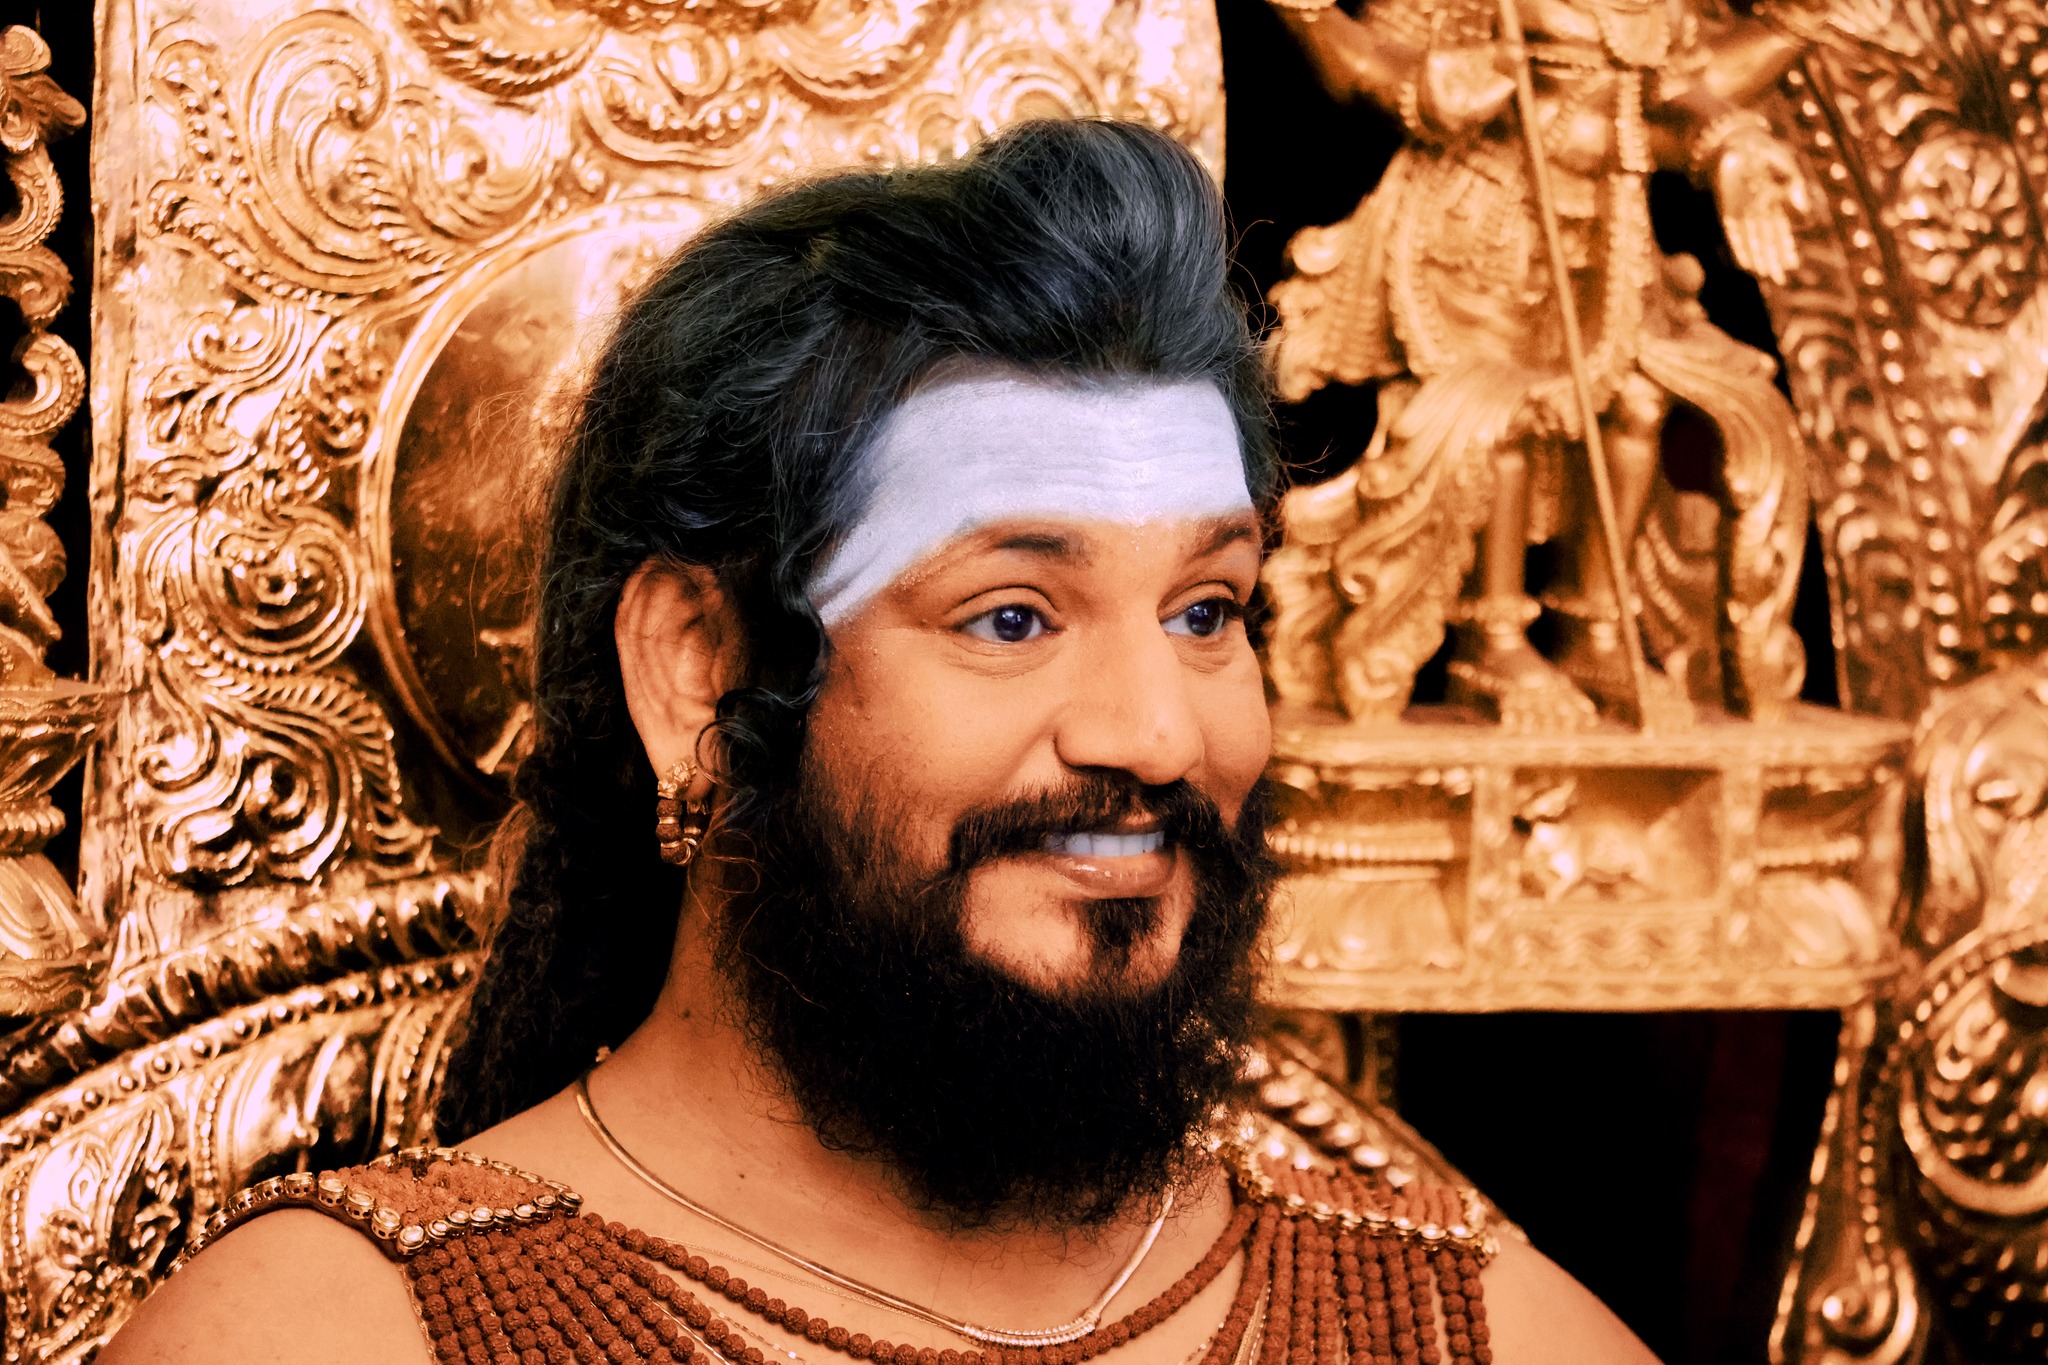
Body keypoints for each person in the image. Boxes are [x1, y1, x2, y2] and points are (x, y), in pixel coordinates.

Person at [106, 120, 1656, 1365]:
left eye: (1207, 609)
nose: (1157, 731)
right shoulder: (326, 1333)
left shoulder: (1473, 1326)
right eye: (1012, 615)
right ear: (701, 671)